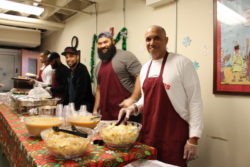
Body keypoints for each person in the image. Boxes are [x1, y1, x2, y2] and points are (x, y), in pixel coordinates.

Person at [118, 25, 203, 167]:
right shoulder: (145, 68)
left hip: (174, 135)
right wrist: (133, 108)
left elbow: (195, 102)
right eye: (148, 39)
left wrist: (193, 139)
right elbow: (147, 98)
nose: (152, 42)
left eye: (157, 38)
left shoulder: (182, 63)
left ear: (166, 40)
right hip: (150, 134)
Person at [93, 32, 142, 121]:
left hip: (127, 113)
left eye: (105, 42)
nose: (103, 45)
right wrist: (96, 109)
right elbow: (99, 89)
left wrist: (133, 99)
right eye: (100, 43)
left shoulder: (126, 56)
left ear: (113, 42)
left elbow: (141, 75)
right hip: (106, 117)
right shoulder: (98, 66)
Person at [62, 46, 94, 111]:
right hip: (72, 108)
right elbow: (67, 92)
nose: (68, 59)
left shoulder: (82, 69)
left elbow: (81, 93)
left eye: (71, 56)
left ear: (77, 57)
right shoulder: (70, 71)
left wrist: (74, 109)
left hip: (83, 109)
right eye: (66, 57)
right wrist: (64, 107)